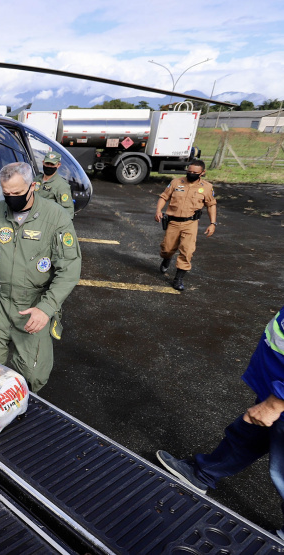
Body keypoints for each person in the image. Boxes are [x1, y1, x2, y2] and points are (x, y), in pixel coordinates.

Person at [157, 305, 284, 539]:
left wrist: (276, 403)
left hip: (279, 399)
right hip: (273, 391)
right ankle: (204, 474)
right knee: (245, 437)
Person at [0, 161, 81, 392]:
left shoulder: (55, 218)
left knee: (33, 375)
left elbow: (70, 269)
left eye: (17, 193)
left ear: (33, 186)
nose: (11, 198)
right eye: (6, 193)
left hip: (33, 302)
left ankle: (18, 404)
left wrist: (47, 307)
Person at [154, 160, 217, 291]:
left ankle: (178, 279)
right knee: (167, 249)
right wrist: (158, 211)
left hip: (191, 223)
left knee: (187, 251)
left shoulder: (207, 187)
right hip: (173, 222)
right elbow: (164, 197)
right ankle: (167, 258)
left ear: (202, 173)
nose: (191, 174)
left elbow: (211, 205)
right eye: (189, 171)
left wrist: (212, 223)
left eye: (195, 172)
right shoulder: (176, 182)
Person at [34, 151, 74, 219]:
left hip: (49, 221)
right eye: (47, 163)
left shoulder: (62, 185)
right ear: (43, 162)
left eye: (52, 164)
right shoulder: (36, 179)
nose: (49, 166)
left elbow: (67, 210)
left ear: (58, 165)